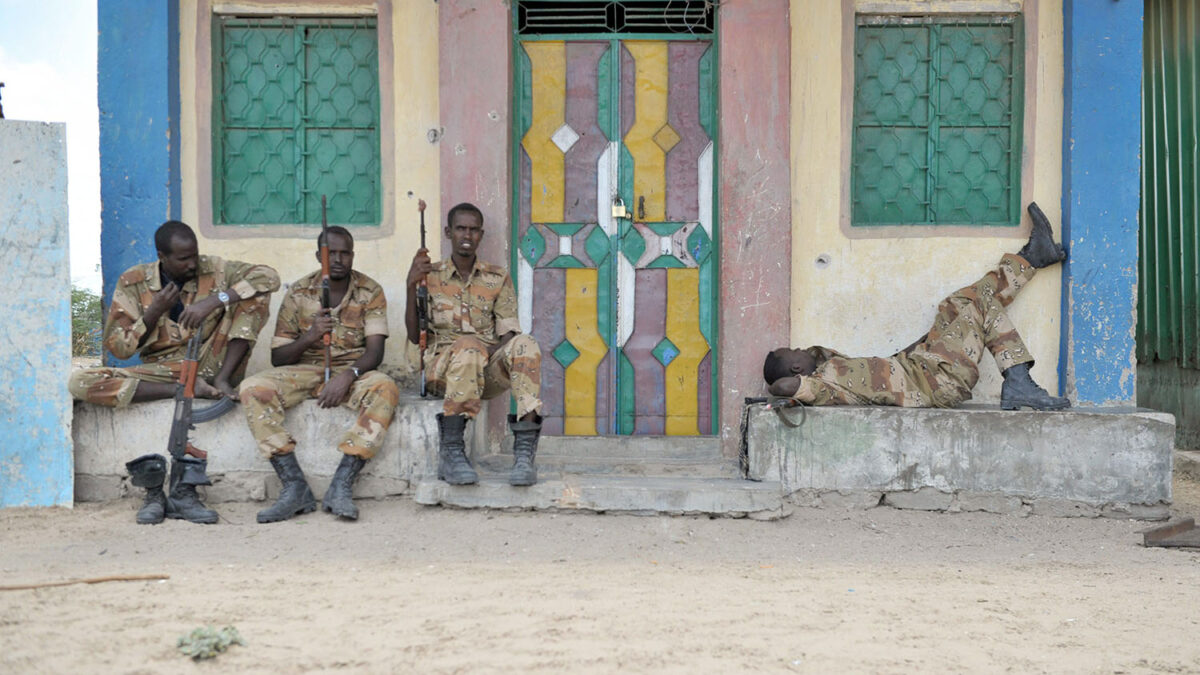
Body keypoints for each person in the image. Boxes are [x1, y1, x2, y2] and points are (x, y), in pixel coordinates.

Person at [763, 202, 1071, 411]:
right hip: (938, 383)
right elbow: (784, 387)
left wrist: (932, 338)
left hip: (926, 364)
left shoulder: (831, 366)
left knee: (957, 303)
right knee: (984, 306)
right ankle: (1019, 382)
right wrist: (776, 390)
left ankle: (1032, 258)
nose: (801, 348)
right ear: (795, 367)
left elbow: (897, 367)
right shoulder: (821, 385)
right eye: (794, 351)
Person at [69, 221, 279, 525]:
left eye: (194, 255)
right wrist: (153, 312)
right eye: (183, 259)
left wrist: (215, 300)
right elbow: (118, 348)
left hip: (212, 361)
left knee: (254, 296)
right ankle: (183, 389)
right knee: (81, 381)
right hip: (165, 371)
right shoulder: (134, 282)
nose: (192, 264)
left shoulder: (214, 269)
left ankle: (218, 381)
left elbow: (268, 276)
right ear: (161, 257)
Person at [238, 226, 398, 523]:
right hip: (306, 370)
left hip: (353, 370)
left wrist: (348, 375)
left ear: (352, 255)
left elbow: (375, 353)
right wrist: (310, 336)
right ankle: (294, 485)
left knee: (385, 386)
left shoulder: (370, 290)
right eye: (330, 253)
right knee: (252, 388)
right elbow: (279, 357)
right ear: (317, 256)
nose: (338, 259)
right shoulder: (299, 292)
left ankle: (342, 484)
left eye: (345, 253)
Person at [406, 202, 544, 487]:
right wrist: (411, 284)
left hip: (484, 370)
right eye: (460, 228)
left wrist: (486, 353)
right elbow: (412, 333)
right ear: (448, 232)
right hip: (442, 370)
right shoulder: (428, 275)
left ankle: (523, 456)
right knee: (468, 347)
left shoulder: (496, 277)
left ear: (481, 234)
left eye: (473, 229)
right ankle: (452, 454)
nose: (467, 235)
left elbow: (508, 332)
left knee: (525, 343)